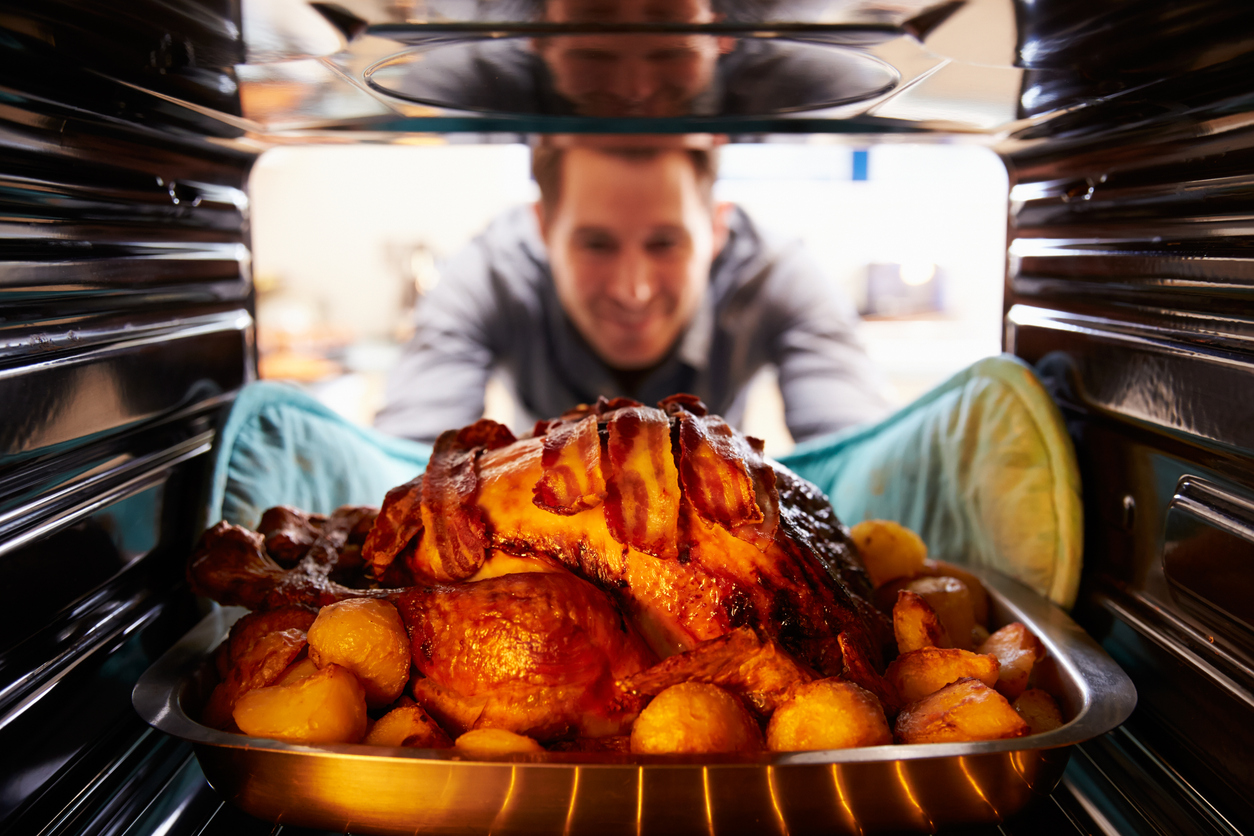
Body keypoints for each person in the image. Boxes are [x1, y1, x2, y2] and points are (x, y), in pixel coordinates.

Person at [373, 136, 893, 444]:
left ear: (716, 229)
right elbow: (413, 455)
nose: (634, 290)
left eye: (665, 243)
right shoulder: (488, 275)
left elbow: (857, 450)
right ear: (543, 229)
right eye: (596, 244)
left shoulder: (775, 275)